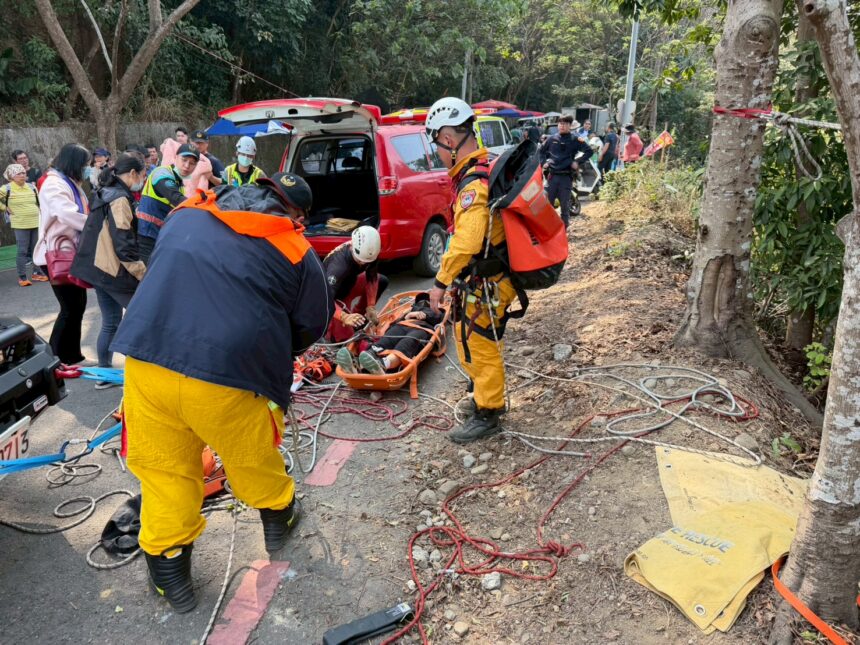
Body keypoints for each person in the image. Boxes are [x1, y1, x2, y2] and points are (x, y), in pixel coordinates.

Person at [111, 172, 331, 613]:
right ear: (297, 215)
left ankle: (169, 569)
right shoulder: (293, 248)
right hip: (226, 372)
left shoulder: (186, 212)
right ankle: (278, 515)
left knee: (165, 471)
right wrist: (274, 349)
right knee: (250, 452)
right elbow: (313, 322)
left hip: (147, 360)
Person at [425, 96, 520, 444]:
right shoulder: (478, 170)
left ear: (448, 140)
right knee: (469, 336)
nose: (438, 153)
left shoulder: (473, 184)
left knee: (481, 342)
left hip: (492, 279)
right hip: (486, 276)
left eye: (437, 145)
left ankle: (489, 412)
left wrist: (440, 282)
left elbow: (467, 240)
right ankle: (482, 395)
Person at [71, 153, 147, 389]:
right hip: (112, 270)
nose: (142, 180)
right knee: (142, 317)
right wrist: (143, 274)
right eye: (142, 175)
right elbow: (124, 244)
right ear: (132, 173)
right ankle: (143, 373)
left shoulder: (105, 191)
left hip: (98, 268)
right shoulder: (119, 199)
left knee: (111, 322)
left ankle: (104, 373)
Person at [33, 144, 91, 364]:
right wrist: (95, 225)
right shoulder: (53, 183)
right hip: (57, 255)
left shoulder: (68, 182)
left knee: (77, 306)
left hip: (70, 252)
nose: (87, 168)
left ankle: (71, 355)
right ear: (74, 163)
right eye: (85, 164)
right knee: (69, 308)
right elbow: (66, 214)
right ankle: (55, 358)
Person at [335, 292, 444, 374]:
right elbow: (393, 323)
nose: (425, 302)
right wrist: (408, 315)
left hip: (422, 329)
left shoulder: (439, 312)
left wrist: (423, 315)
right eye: (423, 301)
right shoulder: (410, 310)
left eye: (429, 301)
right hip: (403, 325)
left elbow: (438, 319)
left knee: (406, 344)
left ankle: (383, 364)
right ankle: (359, 364)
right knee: (384, 342)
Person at [324, 226, 389, 342]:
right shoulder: (338, 267)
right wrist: (344, 316)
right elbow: (325, 299)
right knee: (344, 340)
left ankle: (359, 317)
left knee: (382, 281)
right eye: (360, 260)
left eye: (367, 261)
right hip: (333, 296)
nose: (363, 263)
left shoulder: (370, 252)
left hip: (350, 282)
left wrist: (370, 306)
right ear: (352, 248)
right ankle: (335, 328)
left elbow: (372, 276)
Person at [136, 143, 199, 262]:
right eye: (184, 160)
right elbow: (175, 197)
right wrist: (202, 207)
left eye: (192, 163)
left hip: (159, 236)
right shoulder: (162, 173)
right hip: (147, 235)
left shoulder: (179, 183)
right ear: (175, 157)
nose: (187, 166)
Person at [539, 114, 592, 227]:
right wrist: (544, 163)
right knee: (547, 206)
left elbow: (589, 151)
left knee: (564, 207)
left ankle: (563, 231)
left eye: (565, 124)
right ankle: (549, 230)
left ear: (570, 125)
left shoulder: (575, 139)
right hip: (552, 177)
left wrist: (577, 162)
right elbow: (541, 152)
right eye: (560, 123)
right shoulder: (551, 139)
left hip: (566, 178)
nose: (562, 126)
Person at [2, 163, 48, 286]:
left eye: (23, 172)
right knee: (22, 250)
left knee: (36, 249)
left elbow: (39, 203)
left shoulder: (32, 187)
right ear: (11, 176)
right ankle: (22, 277)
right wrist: (4, 207)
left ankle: (37, 273)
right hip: (20, 224)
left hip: (36, 222)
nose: (22, 175)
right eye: (18, 173)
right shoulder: (6, 188)